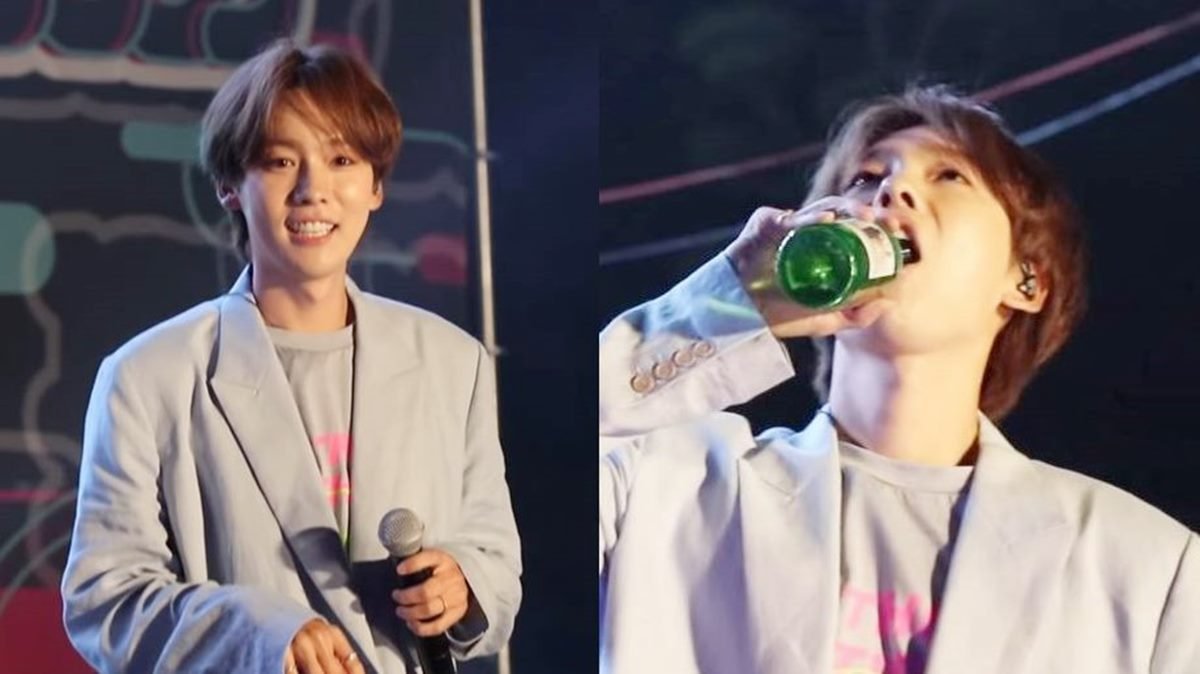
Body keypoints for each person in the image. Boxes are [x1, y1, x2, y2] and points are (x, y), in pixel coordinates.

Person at [598, 86, 1199, 673]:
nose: (892, 189)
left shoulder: (1149, 570)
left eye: (949, 176)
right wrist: (735, 301)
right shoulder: (661, 481)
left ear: (1026, 279)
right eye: (864, 178)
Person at [61, 40, 521, 674]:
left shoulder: (452, 363)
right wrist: (256, 633)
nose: (313, 191)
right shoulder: (147, 377)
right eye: (281, 162)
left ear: (375, 185)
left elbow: (496, 560)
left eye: (341, 160)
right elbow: (105, 602)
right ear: (230, 186)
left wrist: (461, 587)